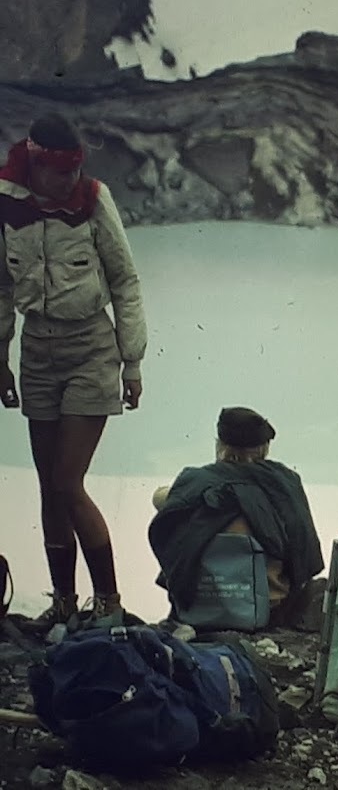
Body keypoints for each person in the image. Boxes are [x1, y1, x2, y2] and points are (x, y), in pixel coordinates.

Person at [0, 113, 147, 628]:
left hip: (90, 348)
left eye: (74, 170)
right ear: (35, 165)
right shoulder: (7, 204)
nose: (69, 181)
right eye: (59, 171)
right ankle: (63, 603)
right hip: (37, 349)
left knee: (67, 481)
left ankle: (108, 603)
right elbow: (1, 289)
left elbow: (125, 281)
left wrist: (132, 361)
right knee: (48, 485)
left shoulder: (93, 200)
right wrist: (2, 359)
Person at [148, 407, 325, 625]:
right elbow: (304, 549)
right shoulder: (285, 482)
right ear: (264, 448)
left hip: (197, 609)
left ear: (220, 444)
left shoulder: (195, 480)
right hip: (267, 607)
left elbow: (165, 513)